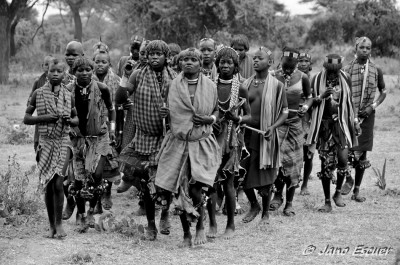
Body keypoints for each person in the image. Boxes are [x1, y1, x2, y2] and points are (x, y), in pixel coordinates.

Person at [155, 48, 220, 247]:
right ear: (180, 63)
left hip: (201, 141)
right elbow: (170, 110)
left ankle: (200, 225)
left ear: (201, 63)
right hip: (178, 142)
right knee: (178, 188)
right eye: (185, 60)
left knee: (196, 189)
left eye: (193, 60)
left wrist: (211, 118)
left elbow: (216, 109)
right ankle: (186, 234)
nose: (189, 63)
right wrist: (165, 112)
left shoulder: (210, 86)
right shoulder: (173, 85)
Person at [116, 40, 177, 240]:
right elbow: (120, 98)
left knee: (165, 182)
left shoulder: (175, 78)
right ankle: (151, 223)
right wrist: (125, 78)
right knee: (145, 182)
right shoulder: (138, 74)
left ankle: (165, 215)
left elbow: (183, 105)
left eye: (158, 54)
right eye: (150, 54)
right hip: (143, 138)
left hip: (167, 138)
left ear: (166, 57)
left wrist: (169, 111)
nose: (153, 57)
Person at [23, 57, 79, 238]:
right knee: (48, 185)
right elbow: (27, 118)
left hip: (63, 141)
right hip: (45, 142)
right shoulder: (38, 93)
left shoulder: (68, 95)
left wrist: (70, 121)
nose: (56, 74)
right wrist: (45, 118)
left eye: (59, 72)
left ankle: (59, 224)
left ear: (64, 74)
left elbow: (76, 118)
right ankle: (51, 225)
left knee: (58, 183)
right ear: (47, 72)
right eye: (52, 71)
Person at [206, 47, 251, 239]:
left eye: (229, 63)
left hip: (232, 140)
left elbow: (250, 116)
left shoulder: (240, 87)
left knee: (229, 184)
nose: (225, 66)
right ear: (217, 64)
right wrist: (211, 120)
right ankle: (212, 224)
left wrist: (237, 118)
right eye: (222, 62)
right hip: (211, 138)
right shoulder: (209, 85)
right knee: (210, 183)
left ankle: (231, 225)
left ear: (235, 67)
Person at [66, 57, 116, 232]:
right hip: (78, 139)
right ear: (74, 72)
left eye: (88, 69)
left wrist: (112, 130)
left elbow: (111, 109)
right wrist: (69, 128)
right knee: (79, 180)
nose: (85, 73)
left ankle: (92, 213)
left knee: (96, 175)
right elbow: (63, 114)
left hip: (99, 137)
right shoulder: (68, 90)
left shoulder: (102, 88)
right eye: (80, 70)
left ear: (92, 71)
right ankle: (81, 214)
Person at [306, 54, 360, 213]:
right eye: (330, 70)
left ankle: (338, 193)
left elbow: (351, 102)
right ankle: (327, 201)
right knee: (325, 165)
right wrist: (321, 97)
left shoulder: (345, 78)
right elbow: (309, 103)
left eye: (335, 70)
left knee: (343, 160)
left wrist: (355, 122)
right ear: (325, 68)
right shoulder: (316, 80)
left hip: (342, 125)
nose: (332, 73)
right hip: (324, 127)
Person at [241, 47, 288, 225]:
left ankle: (265, 214)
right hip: (246, 135)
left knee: (265, 177)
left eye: (260, 58)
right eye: (254, 58)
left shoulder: (277, 85)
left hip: (266, 137)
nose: (255, 61)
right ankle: (254, 205)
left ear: (270, 63)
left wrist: (273, 127)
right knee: (241, 173)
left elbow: (284, 112)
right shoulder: (245, 84)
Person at [268, 48, 312, 216]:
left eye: (291, 66)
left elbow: (309, 97)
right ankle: (277, 195)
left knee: (294, 164)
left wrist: (305, 107)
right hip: (277, 125)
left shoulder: (303, 77)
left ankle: (290, 203)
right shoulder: (273, 76)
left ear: (296, 64)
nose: (287, 69)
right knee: (277, 163)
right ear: (281, 61)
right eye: (285, 65)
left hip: (295, 125)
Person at [342, 37, 386, 202]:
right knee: (345, 150)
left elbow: (384, 92)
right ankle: (347, 179)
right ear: (356, 48)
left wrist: (372, 106)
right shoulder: (346, 70)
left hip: (367, 116)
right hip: (348, 116)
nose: (365, 51)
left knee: (362, 154)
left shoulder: (376, 70)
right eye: (362, 48)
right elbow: (341, 94)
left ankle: (356, 192)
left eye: (368, 48)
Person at [93, 51, 122, 212]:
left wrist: (115, 130)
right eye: (97, 61)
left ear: (109, 64)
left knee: (110, 161)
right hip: (92, 127)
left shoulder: (116, 81)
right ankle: (96, 199)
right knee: (94, 165)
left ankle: (107, 192)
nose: (100, 64)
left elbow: (118, 108)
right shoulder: (87, 80)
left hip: (111, 125)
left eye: (104, 62)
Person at [62, 41, 85, 221]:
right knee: (62, 172)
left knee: (80, 175)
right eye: (68, 54)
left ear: (82, 56)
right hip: (64, 132)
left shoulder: (86, 73)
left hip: (85, 134)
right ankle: (69, 200)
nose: (70, 57)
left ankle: (80, 211)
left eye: (74, 55)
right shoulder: (59, 76)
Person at [27, 55, 54, 152]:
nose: (48, 67)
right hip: (41, 118)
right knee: (39, 144)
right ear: (42, 66)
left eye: (51, 64)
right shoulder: (38, 81)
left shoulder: (59, 80)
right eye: (46, 64)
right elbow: (30, 102)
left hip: (54, 119)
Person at [297, 51, 315, 196]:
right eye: (300, 60)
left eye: (305, 61)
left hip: (309, 120)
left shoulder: (314, 80)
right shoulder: (294, 78)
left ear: (310, 64)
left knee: (308, 154)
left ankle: (305, 185)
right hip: (295, 119)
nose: (303, 63)